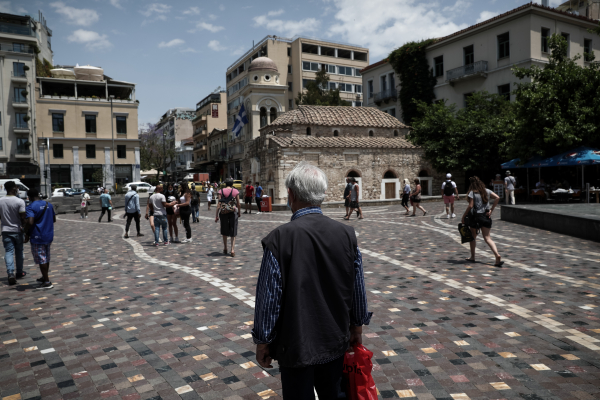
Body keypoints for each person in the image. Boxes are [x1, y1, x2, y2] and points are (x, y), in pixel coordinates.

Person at [252, 162, 372, 398]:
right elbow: (357, 287)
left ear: (291, 194)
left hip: (296, 346)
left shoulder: (279, 239)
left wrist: (263, 341)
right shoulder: (346, 235)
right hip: (335, 341)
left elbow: (269, 299)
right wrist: (356, 326)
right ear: (322, 194)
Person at [461, 176, 503, 267]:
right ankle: (497, 255)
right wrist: (491, 209)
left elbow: (471, 205)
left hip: (476, 217)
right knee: (488, 238)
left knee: (473, 237)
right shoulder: (486, 191)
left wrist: (464, 216)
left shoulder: (472, 193)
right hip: (486, 216)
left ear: (471, 184)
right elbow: (497, 198)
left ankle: (472, 257)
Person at [23, 189, 56, 290]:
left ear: (29, 197)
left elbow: (30, 222)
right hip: (49, 235)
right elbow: (54, 219)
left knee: (42, 259)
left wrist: (25, 230)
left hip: (38, 235)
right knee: (46, 257)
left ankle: (47, 282)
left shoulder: (31, 207)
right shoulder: (49, 204)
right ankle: (44, 277)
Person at [0, 181, 26, 285]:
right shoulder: (19, 201)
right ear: (13, 189)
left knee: (8, 252)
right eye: (16, 187)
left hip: (5, 230)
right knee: (19, 252)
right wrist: (24, 228)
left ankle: (10, 273)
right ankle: (19, 272)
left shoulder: (0, 201)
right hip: (17, 230)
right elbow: (23, 217)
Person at [215, 178, 240, 257]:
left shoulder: (220, 191)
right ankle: (232, 250)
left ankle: (225, 248)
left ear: (225, 184)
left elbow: (219, 204)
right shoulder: (235, 191)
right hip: (233, 212)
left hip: (223, 212)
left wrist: (216, 215)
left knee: (224, 229)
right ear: (232, 184)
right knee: (233, 229)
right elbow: (238, 203)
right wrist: (239, 212)